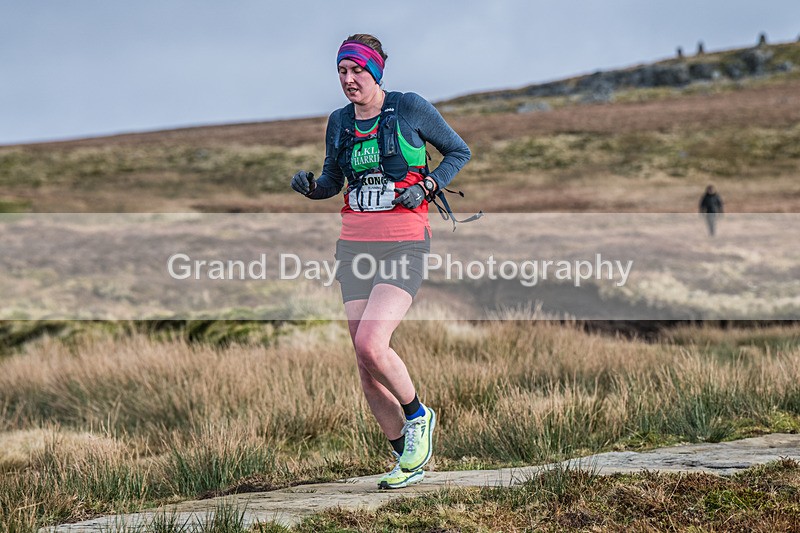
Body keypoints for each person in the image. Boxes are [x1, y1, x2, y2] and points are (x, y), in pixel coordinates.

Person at [290, 34, 471, 489]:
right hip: (354, 249)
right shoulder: (339, 121)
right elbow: (333, 179)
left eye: (357, 70)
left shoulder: (408, 107)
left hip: (403, 244)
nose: (349, 79)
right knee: (366, 366)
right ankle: (406, 460)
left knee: (372, 344)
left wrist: (427, 185)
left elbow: (459, 152)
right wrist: (313, 188)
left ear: (375, 71)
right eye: (342, 71)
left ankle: (419, 416)